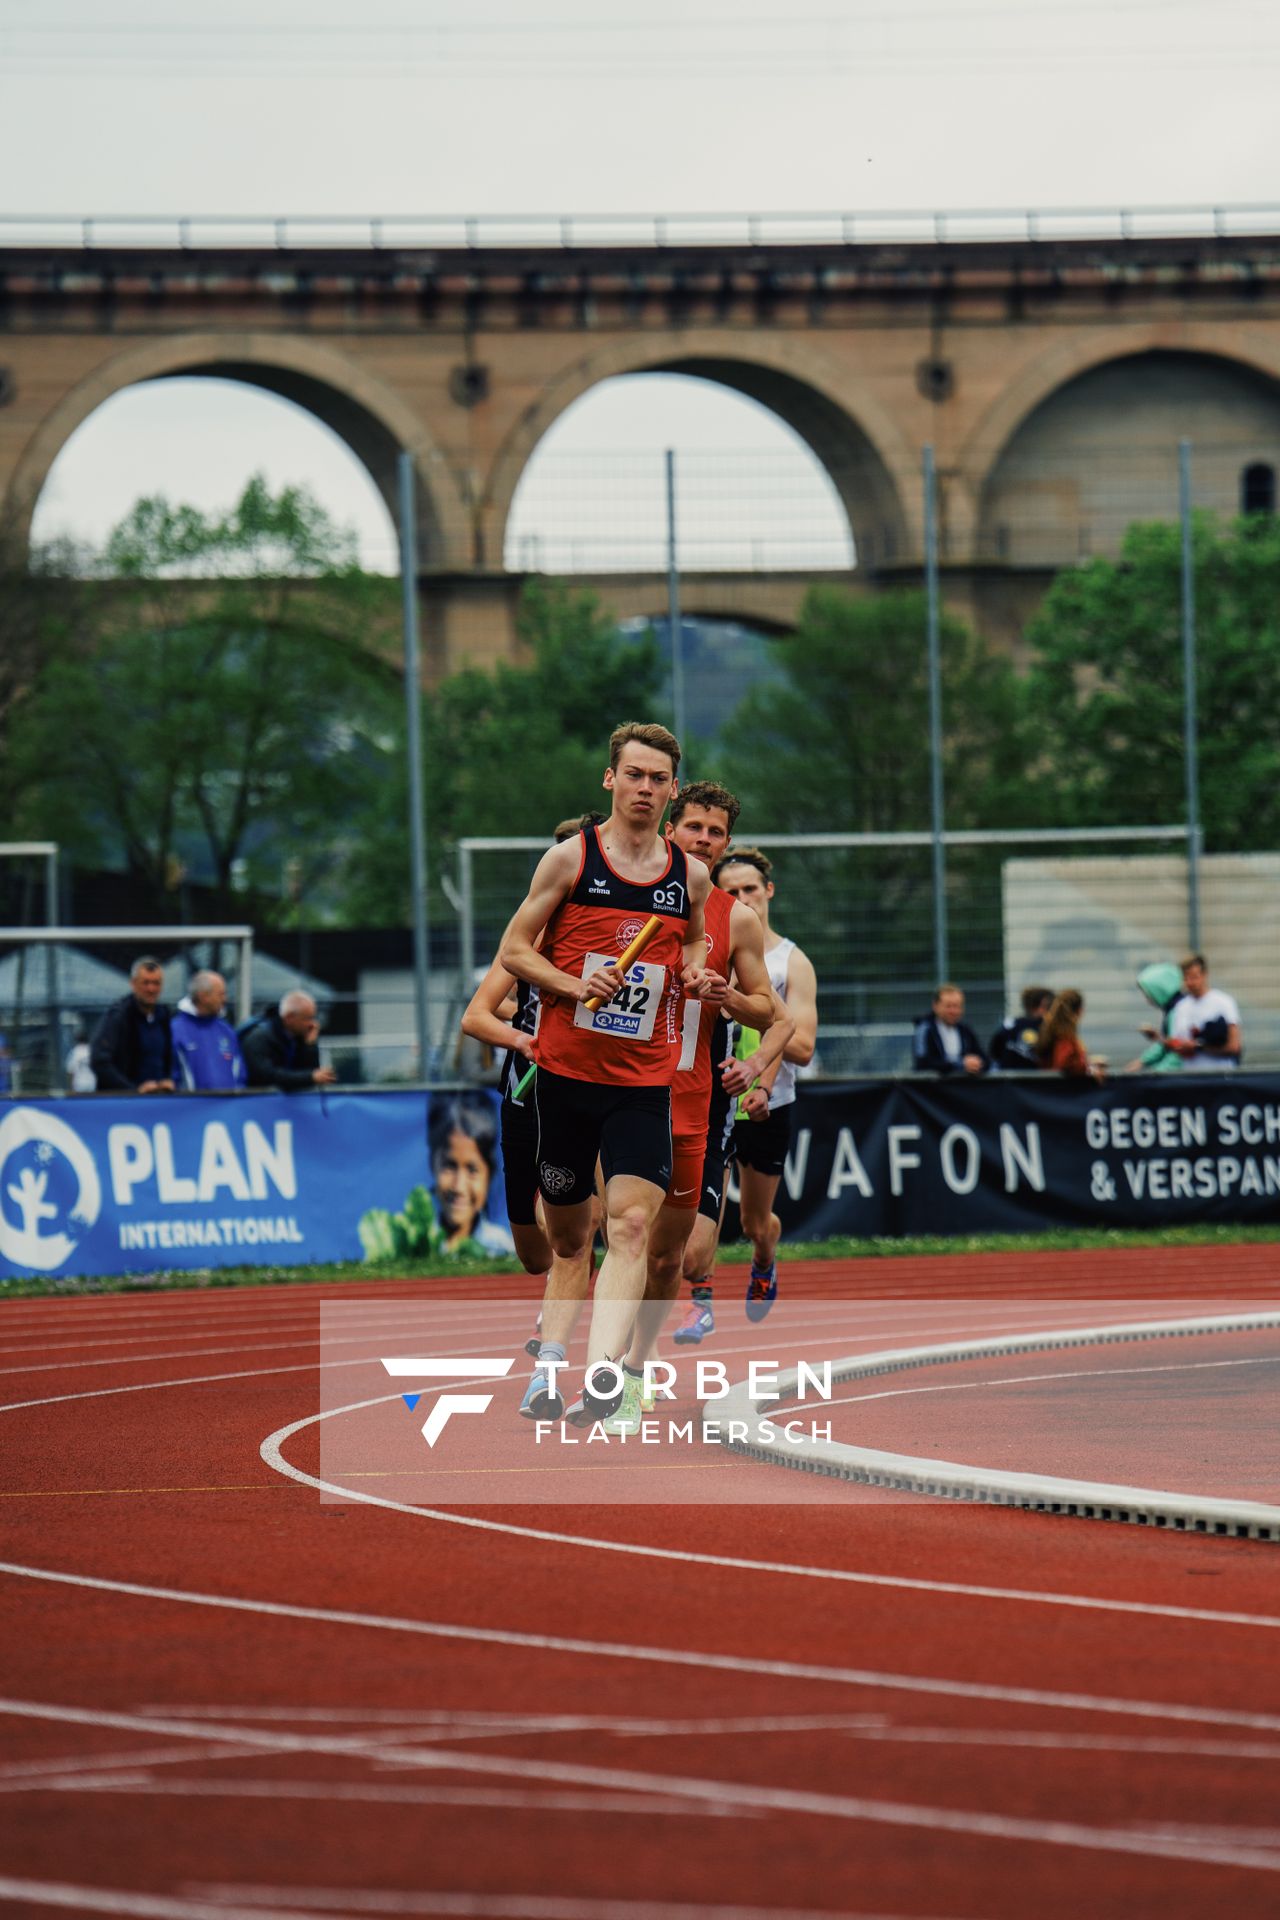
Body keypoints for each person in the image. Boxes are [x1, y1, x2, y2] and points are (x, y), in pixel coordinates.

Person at [499, 721, 709, 1422]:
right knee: (567, 1237)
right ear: (609, 780)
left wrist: (696, 971)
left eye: (658, 779)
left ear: (672, 790)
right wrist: (569, 985)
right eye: (635, 775)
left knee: (628, 1225)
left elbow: (696, 943)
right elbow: (514, 952)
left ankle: (601, 1375)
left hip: (642, 1083)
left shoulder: (690, 876)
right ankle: (546, 1368)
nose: (645, 789)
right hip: (565, 1076)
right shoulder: (570, 860)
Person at [605, 784, 777, 1417]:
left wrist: (724, 1000)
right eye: (695, 827)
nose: (705, 839)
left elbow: (770, 1011)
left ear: (726, 842)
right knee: (622, 1232)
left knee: (677, 1254)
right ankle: (605, 1376)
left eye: (717, 832)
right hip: (621, 1089)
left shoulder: (737, 917)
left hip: (693, 1099)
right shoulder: (619, 888)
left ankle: (638, 1365)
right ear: (672, 828)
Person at [459, 811, 604, 1297]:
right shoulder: (531, 937)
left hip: (593, 1087)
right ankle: (566, 1277)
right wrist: (524, 1035)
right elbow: (476, 1015)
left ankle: (558, 1329)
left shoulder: (616, 933)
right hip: (525, 1088)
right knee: (532, 1254)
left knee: (581, 1224)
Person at [707, 846, 817, 1324]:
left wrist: (762, 1020)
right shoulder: (711, 949)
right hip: (715, 1098)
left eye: (750, 888)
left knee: (754, 1222)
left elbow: (805, 1045)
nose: (742, 897)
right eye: (730, 891)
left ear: (768, 891)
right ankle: (700, 1298)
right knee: (703, 1219)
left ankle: (765, 1259)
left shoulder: (792, 962)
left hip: (769, 1104)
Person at [427, 1091, 515, 1257]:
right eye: (449, 1166)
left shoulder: (501, 1248)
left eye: (472, 1170)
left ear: (490, 1173)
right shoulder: (417, 1245)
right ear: (433, 1164)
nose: (459, 1187)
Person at [89, 955, 175, 1093]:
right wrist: (133, 1090)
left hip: (158, 1101)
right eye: (146, 983)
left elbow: (167, 1058)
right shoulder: (118, 1016)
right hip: (125, 1103)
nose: (151, 989)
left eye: (156, 983)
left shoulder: (163, 1015)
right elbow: (99, 1062)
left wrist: (166, 1079)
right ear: (133, 984)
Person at [240, 990, 337, 1092]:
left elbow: (309, 1075)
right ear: (289, 1017)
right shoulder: (259, 1037)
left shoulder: (298, 1037)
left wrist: (309, 1045)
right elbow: (266, 1075)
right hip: (258, 1103)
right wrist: (309, 1077)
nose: (312, 1024)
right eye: (307, 1018)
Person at [171, 970, 247, 1091]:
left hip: (228, 1108)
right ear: (204, 996)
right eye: (221, 994)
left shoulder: (227, 1031)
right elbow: (173, 1076)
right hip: (191, 1108)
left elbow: (240, 1074)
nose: (225, 999)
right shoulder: (175, 1031)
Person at [1165, 954, 1242, 1071]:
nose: (1190, 983)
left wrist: (1199, 1047)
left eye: (1194, 977)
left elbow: (1234, 1047)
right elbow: (1176, 1045)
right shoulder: (1181, 1007)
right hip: (1191, 1078)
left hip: (1220, 1077)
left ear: (1205, 975)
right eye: (1186, 978)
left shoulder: (1224, 1002)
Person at [912, 984, 988, 1076]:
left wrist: (977, 1064)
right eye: (948, 1006)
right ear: (935, 1006)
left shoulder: (966, 1031)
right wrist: (959, 1065)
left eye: (957, 1006)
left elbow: (984, 1059)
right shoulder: (925, 1030)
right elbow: (923, 1062)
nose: (953, 1011)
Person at [1128, 962, 1186, 1073]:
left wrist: (1157, 1074)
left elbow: (1177, 1053)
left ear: (1160, 990)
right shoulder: (1172, 1010)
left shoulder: (1178, 1012)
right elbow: (1166, 1042)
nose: (1147, 1000)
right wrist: (1143, 1061)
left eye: (1148, 994)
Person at [1034, 989, 1103, 1080]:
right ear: (1080, 1010)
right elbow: (1065, 1063)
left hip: (1049, 1088)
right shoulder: (1064, 1034)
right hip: (1060, 1089)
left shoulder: (1051, 1029)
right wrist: (1088, 1069)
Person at [989, 986, 1053, 1072]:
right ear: (1042, 1005)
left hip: (1007, 1081)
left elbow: (995, 1052)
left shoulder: (1010, 1024)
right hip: (1036, 1082)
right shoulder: (1046, 1028)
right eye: (1050, 1007)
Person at [65, 1028, 96, 1093]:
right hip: (92, 1083)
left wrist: (71, 1087)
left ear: (77, 1040)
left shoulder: (74, 1051)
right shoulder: (92, 1050)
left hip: (79, 1084)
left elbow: (70, 1071)